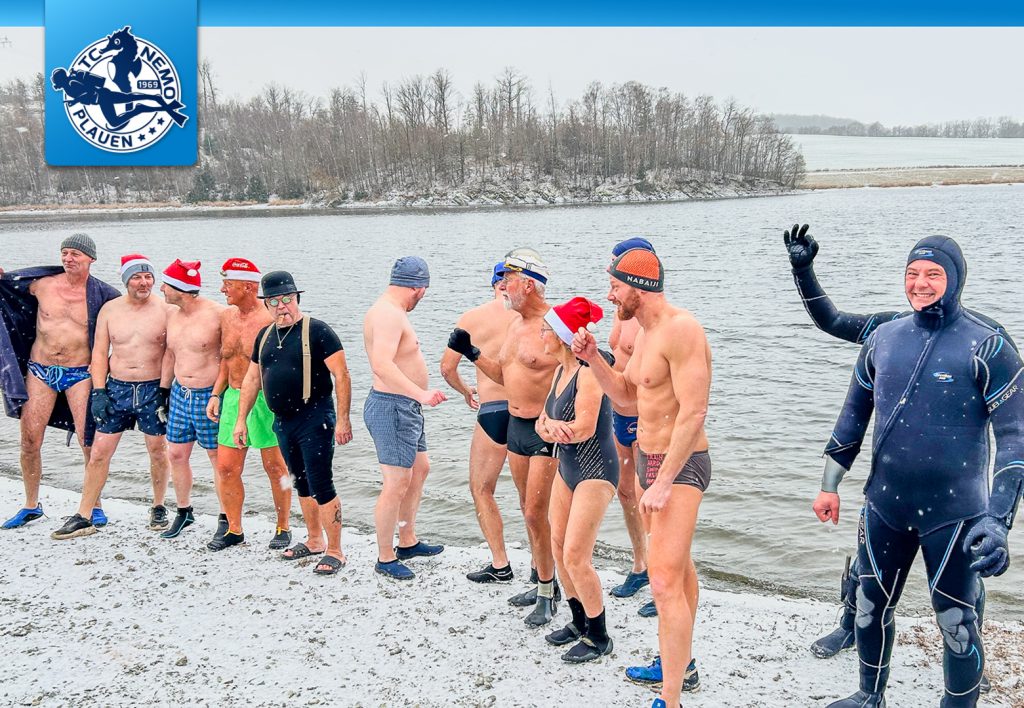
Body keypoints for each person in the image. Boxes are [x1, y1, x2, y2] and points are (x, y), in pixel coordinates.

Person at [784, 223, 1005, 681]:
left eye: (934, 274)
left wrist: (999, 517)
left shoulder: (986, 339)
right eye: (912, 273)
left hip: (956, 499)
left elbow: (1013, 430)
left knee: (962, 597)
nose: (921, 284)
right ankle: (851, 629)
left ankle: (971, 658)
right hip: (888, 494)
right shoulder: (888, 330)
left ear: (956, 279)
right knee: (870, 579)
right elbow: (832, 321)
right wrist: (803, 270)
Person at [572, 247, 712, 708]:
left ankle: (670, 698)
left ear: (639, 286)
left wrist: (665, 480)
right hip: (652, 461)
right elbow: (628, 397)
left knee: (663, 581)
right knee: (677, 571)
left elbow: (694, 412)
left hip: (681, 464)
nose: (610, 296)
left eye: (615, 287)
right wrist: (593, 358)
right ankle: (680, 666)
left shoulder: (681, 329)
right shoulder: (646, 334)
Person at [448, 247, 562, 625]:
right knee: (529, 511)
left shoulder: (555, 324)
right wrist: (471, 353)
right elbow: (503, 374)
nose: (502, 287)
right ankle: (543, 580)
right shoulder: (515, 325)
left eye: (508, 281)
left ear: (528, 285)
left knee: (537, 512)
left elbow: (582, 375)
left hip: (545, 431)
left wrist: (560, 415)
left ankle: (548, 591)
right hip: (516, 427)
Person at [235, 270, 352, 575]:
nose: (282, 306)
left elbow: (342, 375)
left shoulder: (319, 331)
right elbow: (252, 380)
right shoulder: (264, 336)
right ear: (266, 305)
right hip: (283, 421)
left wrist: (343, 420)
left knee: (321, 482)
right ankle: (314, 540)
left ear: (297, 298)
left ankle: (335, 550)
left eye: (287, 299)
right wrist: (240, 420)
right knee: (301, 481)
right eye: (274, 301)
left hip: (316, 417)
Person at [0, 234, 119, 529]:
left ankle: (94, 505)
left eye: (75, 254)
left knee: (88, 441)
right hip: (40, 370)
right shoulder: (42, 284)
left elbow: (130, 319)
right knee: (29, 441)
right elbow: (8, 291)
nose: (68, 258)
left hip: (80, 373)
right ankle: (31, 505)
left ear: (91, 258)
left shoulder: (104, 295)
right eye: (64, 253)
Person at [51, 255, 173, 538]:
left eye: (148, 277)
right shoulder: (110, 310)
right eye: (137, 277)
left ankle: (158, 506)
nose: (144, 283)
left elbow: (173, 351)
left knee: (157, 450)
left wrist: (165, 391)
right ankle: (84, 514)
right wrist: (99, 392)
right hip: (117, 388)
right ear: (126, 280)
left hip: (152, 389)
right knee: (99, 453)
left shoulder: (166, 310)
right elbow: (98, 353)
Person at [536, 297, 618, 663]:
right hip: (567, 467)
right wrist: (550, 427)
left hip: (596, 469)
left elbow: (584, 429)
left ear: (561, 336)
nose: (541, 335)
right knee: (557, 546)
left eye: (545, 330)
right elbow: (541, 423)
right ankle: (579, 620)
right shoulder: (560, 372)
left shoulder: (588, 373)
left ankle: (599, 636)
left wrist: (552, 429)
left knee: (575, 555)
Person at [364, 257, 446, 580]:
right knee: (396, 482)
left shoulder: (390, 311)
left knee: (420, 469)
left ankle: (408, 540)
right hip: (393, 406)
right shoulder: (387, 314)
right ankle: (385, 557)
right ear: (418, 288)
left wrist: (416, 398)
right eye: (424, 292)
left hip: (405, 406)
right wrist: (421, 394)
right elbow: (382, 365)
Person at [205, 258, 292, 551]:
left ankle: (283, 526)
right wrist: (215, 394)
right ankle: (234, 529)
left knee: (275, 467)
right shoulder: (227, 317)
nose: (222, 289)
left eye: (228, 284)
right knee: (226, 467)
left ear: (249, 287)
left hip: (267, 399)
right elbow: (226, 360)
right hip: (233, 396)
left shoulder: (271, 319)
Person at [440, 263, 517, 583]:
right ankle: (543, 571)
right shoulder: (536, 317)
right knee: (535, 499)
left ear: (494, 285)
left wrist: (466, 391)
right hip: (530, 412)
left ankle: (501, 564)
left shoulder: (472, 318)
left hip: (493, 410)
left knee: (482, 489)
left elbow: (447, 368)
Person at [606, 238, 656, 616]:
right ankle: (641, 565)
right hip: (617, 412)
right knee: (625, 492)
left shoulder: (649, 320)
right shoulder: (620, 311)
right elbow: (616, 359)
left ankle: (663, 577)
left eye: (616, 269)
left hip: (643, 416)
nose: (611, 282)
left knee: (650, 498)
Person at [159, 259, 225, 540]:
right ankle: (184, 510)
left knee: (217, 458)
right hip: (179, 393)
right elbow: (170, 353)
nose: (161, 288)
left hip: (208, 395)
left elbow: (228, 358)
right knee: (175, 454)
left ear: (181, 289)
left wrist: (217, 394)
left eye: (166, 284)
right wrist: (163, 391)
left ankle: (226, 516)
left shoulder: (217, 314)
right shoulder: (171, 314)